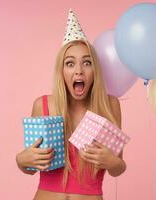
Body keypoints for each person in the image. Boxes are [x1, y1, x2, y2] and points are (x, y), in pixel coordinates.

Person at [15, 9, 127, 200]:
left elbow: (118, 168)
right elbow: (30, 169)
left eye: (86, 63)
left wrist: (110, 161)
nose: (79, 71)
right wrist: (21, 161)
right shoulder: (42, 105)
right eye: (70, 63)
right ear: (62, 72)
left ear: (95, 70)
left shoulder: (109, 105)